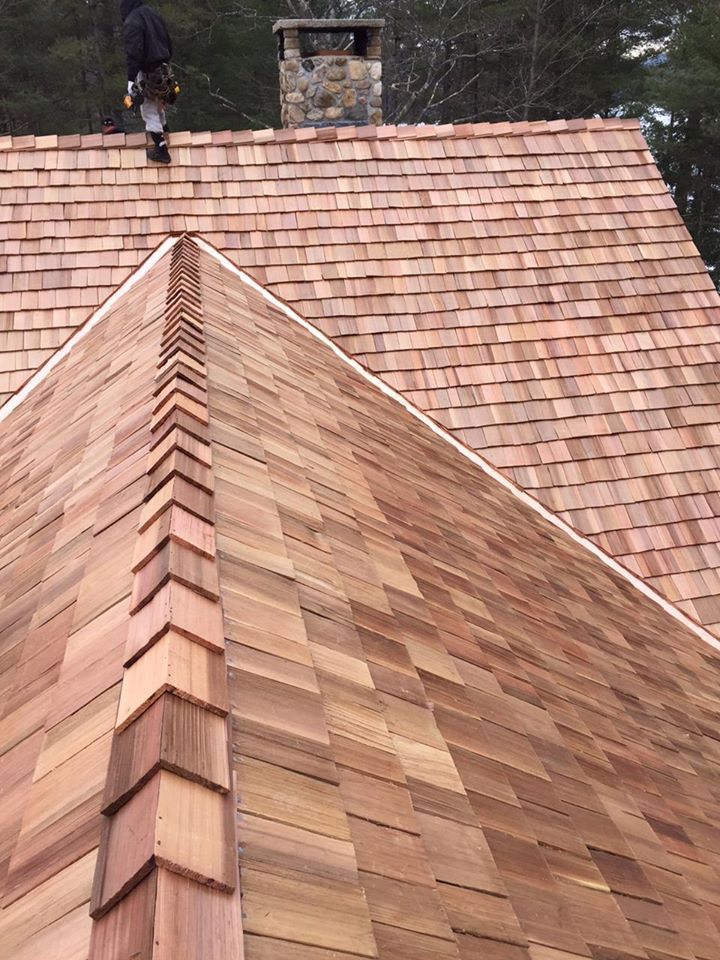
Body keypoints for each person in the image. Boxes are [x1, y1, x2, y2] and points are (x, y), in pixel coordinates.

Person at [119, 0, 173, 164]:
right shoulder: (153, 14)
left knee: (148, 110)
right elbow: (169, 42)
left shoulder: (132, 21)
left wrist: (131, 79)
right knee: (158, 104)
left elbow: (134, 52)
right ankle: (166, 132)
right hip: (163, 67)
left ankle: (161, 149)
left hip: (148, 70)